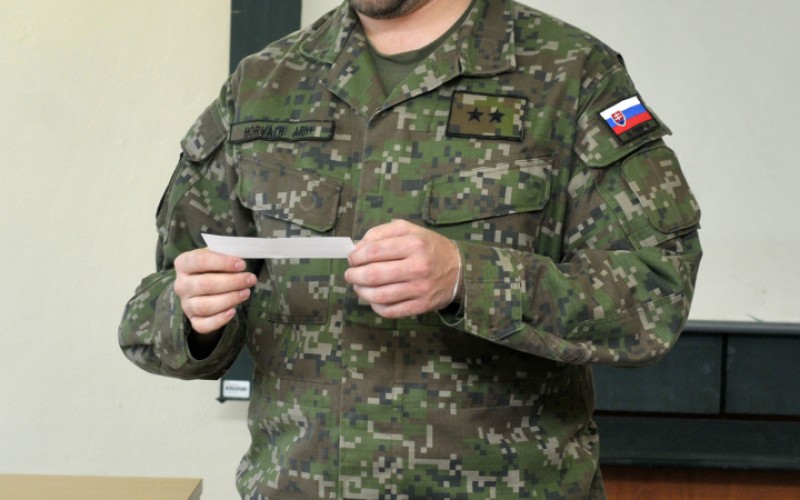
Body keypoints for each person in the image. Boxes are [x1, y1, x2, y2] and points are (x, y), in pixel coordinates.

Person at [119, 0, 702, 497]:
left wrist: (468, 278)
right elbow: (156, 304)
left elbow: (656, 289)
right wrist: (192, 314)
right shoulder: (264, 84)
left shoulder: (570, 72)